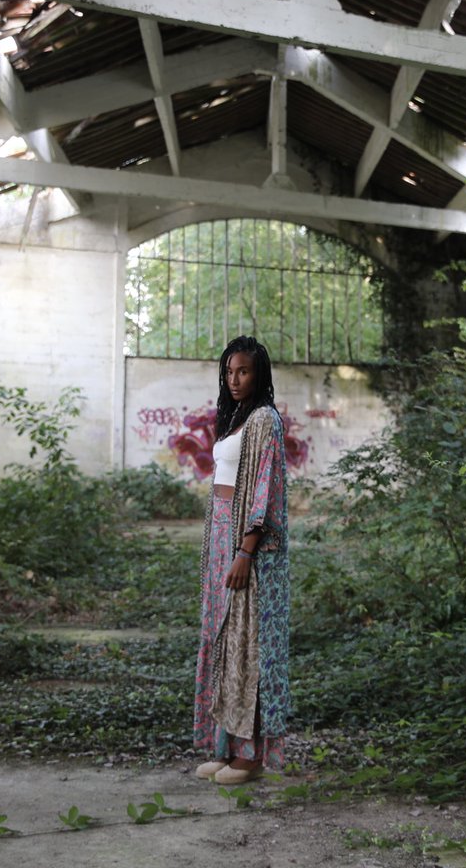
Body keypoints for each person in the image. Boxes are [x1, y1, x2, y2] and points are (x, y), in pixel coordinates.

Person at [192, 336, 290, 784]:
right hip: (220, 542)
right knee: (223, 643)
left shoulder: (265, 421)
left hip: (248, 547)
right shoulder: (234, 418)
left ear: (260, 374)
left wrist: (245, 551)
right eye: (229, 371)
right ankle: (224, 746)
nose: (235, 380)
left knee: (247, 645)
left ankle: (249, 756)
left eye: (244, 371)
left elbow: (265, 491)